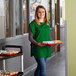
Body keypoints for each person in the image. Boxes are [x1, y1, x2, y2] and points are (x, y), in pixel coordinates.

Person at [28, 5, 52, 76]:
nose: (41, 14)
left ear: (45, 13)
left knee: (39, 67)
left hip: (46, 48)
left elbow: (47, 36)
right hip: (38, 48)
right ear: (36, 13)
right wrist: (37, 43)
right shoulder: (33, 24)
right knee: (43, 68)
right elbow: (30, 38)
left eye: (43, 12)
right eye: (39, 12)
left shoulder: (47, 24)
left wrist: (53, 42)